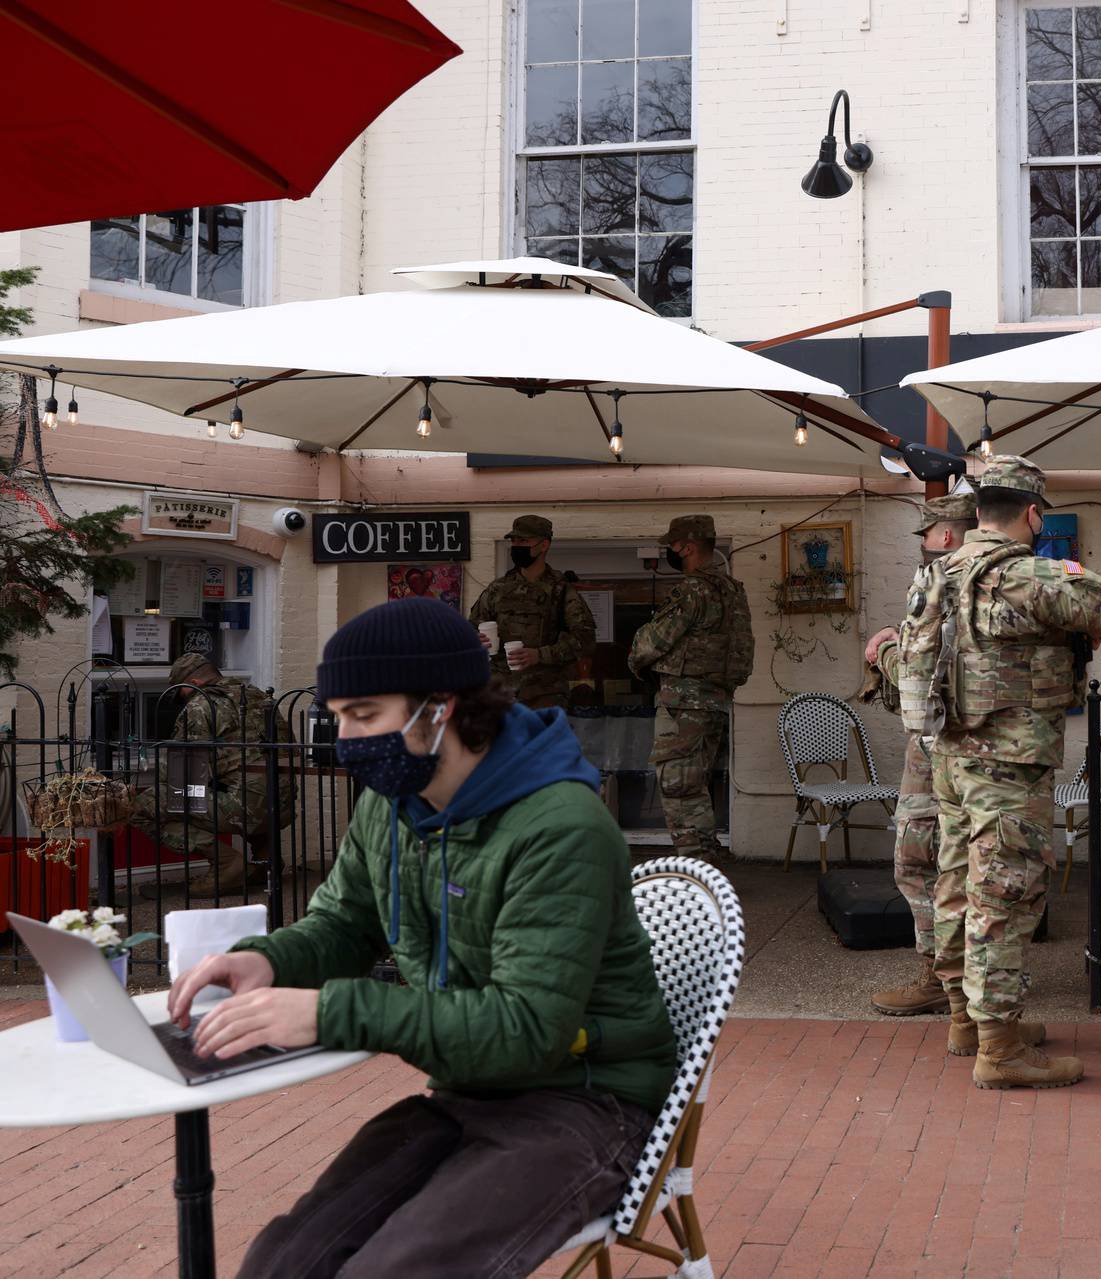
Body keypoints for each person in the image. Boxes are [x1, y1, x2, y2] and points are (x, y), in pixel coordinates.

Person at [168, 598, 677, 1276]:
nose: (347, 741)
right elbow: (344, 923)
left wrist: (329, 1010)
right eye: (339, 716)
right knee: (282, 1260)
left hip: (585, 1100)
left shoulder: (560, 826)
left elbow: (526, 1027)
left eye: (365, 715)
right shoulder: (392, 803)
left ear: (440, 707)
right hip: (467, 1089)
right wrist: (264, 960)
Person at [896, 456, 1101, 1088]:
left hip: (948, 757)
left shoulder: (935, 575)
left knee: (954, 883)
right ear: (1033, 513)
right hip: (1008, 763)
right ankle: (1000, 1049)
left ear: (976, 514)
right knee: (1003, 894)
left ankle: (966, 1022)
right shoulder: (1032, 576)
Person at [863, 491, 977, 1016]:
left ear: (946, 534)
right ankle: (954, 977)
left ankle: (951, 981)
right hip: (950, 748)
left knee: (936, 864)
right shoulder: (974, 580)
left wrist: (884, 649)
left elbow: (924, 671)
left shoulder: (955, 581)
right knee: (937, 862)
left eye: (927, 534)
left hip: (948, 749)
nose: (925, 544)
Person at [627, 514, 754, 860]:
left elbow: (651, 642)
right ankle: (706, 865)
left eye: (672, 544)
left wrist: (636, 661)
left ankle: (696, 869)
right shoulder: (732, 589)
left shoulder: (692, 590)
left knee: (679, 785)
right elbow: (743, 650)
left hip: (684, 703)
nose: (670, 550)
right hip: (714, 702)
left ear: (688, 546)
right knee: (695, 786)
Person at [135, 653, 295, 900]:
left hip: (243, 810)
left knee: (147, 805)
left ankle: (227, 864)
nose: (184, 701)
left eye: (183, 693)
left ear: (195, 683)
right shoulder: (259, 697)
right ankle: (266, 862)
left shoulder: (200, 706)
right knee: (243, 783)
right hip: (282, 806)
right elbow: (287, 750)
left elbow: (179, 777)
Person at [468, 514, 597, 710]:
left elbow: (585, 640)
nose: (516, 546)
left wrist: (540, 655)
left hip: (544, 693)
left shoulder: (560, 590)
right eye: (514, 541)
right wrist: (476, 640)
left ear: (544, 545)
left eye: (524, 540)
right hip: (501, 694)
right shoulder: (497, 589)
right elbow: (471, 628)